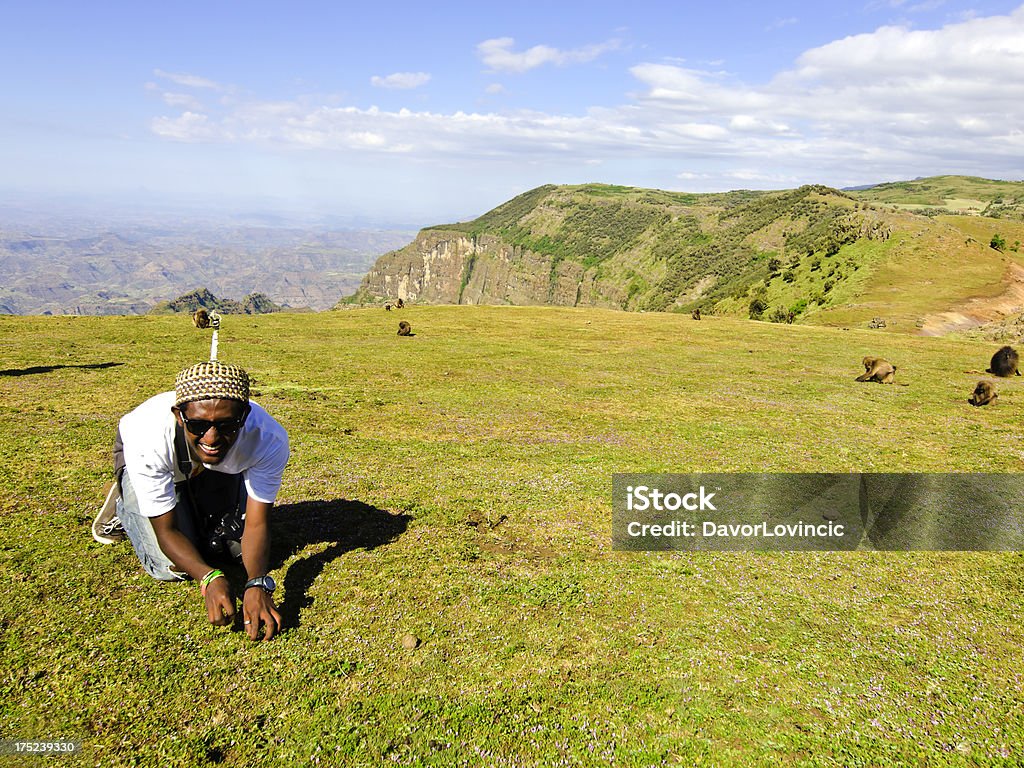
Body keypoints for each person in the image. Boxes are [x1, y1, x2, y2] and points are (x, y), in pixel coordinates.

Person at [93, 360, 290, 640]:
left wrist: (256, 583)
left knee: (229, 547)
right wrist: (208, 577)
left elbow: (257, 524)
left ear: (244, 416)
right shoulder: (146, 435)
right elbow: (167, 531)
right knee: (168, 566)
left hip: (208, 467)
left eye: (227, 424)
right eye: (197, 424)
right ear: (179, 416)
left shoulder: (268, 439)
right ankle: (126, 500)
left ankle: (185, 490)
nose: (211, 437)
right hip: (154, 461)